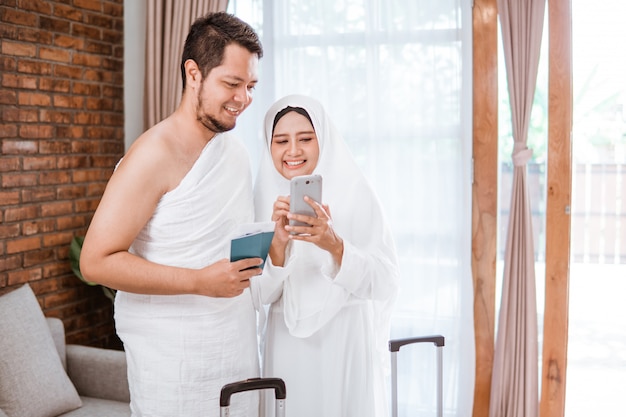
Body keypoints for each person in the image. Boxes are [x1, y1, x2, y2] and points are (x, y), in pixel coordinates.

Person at [79, 12, 264, 417]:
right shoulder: (152, 155)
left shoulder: (234, 152)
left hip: (234, 347)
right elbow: (95, 262)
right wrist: (198, 281)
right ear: (193, 73)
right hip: (172, 365)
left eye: (250, 86)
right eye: (232, 84)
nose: (243, 99)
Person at [253, 94, 400, 417]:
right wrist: (278, 245)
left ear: (324, 139)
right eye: (281, 141)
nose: (293, 150)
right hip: (286, 343)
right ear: (269, 146)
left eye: (306, 138)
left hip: (344, 337)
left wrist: (334, 244)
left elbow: (386, 280)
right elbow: (255, 294)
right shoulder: (260, 197)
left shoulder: (356, 192)